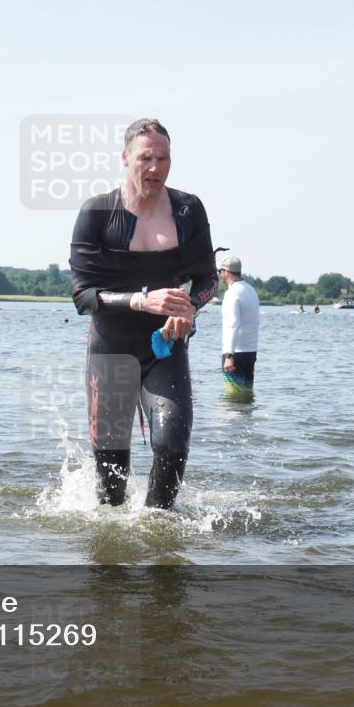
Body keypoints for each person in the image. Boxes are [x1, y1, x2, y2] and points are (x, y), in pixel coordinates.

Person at [69, 118, 217, 510]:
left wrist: (191, 306)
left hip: (164, 348)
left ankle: (158, 537)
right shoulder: (98, 212)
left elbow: (207, 278)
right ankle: (112, 558)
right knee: (111, 484)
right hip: (111, 351)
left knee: (171, 447)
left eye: (163, 158)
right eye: (145, 158)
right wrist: (141, 300)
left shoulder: (188, 210)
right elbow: (82, 296)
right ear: (125, 157)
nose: (154, 168)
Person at [219, 255, 260, 395]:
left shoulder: (232, 293)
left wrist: (229, 355)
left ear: (226, 271)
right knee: (247, 396)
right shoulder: (251, 290)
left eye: (220, 271)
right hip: (250, 352)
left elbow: (233, 323)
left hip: (235, 353)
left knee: (233, 397)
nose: (220, 275)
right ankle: (249, 418)